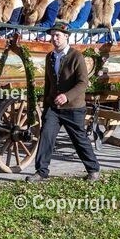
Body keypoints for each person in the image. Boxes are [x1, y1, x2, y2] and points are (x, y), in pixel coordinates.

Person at [26, 22, 100, 182]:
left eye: (57, 35)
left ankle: (93, 170)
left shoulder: (76, 56)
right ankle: (41, 172)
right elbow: (48, 83)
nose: (54, 38)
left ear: (66, 37)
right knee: (46, 135)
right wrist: (46, 105)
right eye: (52, 35)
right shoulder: (50, 57)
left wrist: (67, 96)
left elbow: (83, 83)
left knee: (79, 138)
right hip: (54, 107)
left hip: (73, 107)